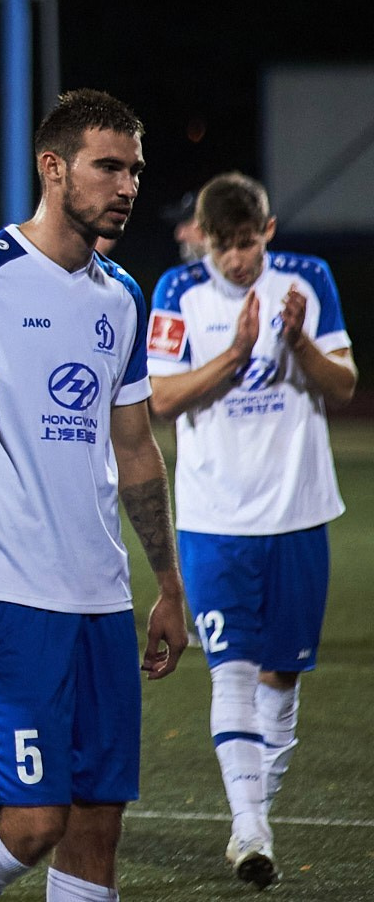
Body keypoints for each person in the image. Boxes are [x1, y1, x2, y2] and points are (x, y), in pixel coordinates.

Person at [0, 89, 188, 902]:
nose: (127, 186)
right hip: (5, 594)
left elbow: (135, 446)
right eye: (109, 166)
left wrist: (168, 583)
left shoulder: (122, 296)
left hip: (100, 602)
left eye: (135, 170)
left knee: (98, 826)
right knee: (36, 818)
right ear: (53, 166)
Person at [146, 172, 357, 887]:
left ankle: (251, 820)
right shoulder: (179, 293)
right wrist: (236, 355)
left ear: (267, 230)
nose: (241, 259)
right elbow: (164, 395)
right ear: (203, 239)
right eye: (227, 246)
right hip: (216, 519)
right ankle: (250, 826)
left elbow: (343, 385)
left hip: (298, 512)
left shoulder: (308, 278)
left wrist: (296, 340)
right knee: (230, 667)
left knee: (283, 674)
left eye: (250, 242)